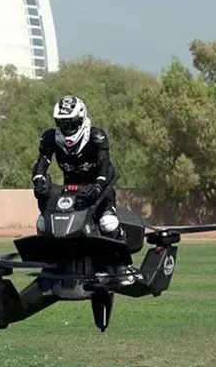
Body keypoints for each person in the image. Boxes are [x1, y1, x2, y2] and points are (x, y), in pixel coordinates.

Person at [30, 95, 142, 285]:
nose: (67, 129)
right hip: (69, 192)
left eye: (71, 123)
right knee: (44, 224)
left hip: (98, 190)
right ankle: (53, 266)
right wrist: (39, 180)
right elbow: (40, 165)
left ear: (81, 120)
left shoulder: (97, 137)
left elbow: (105, 168)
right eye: (62, 123)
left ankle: (123, 266)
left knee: (108, 223)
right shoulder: (50, 138)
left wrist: (98, 186)